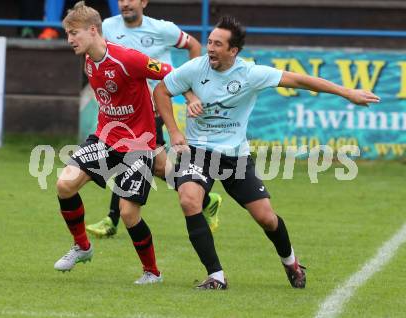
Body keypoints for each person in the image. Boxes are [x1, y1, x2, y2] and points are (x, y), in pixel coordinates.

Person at [153, 16, 380, 289]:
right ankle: (216, 275)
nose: (210, 48)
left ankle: (291, 263)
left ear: (233, 51)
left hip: (235, 157)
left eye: (217, 44)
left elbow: (299, 80)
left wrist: (347, 93)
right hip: (198, 151)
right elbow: (162, 90)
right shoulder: (195, 68)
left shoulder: (251, 74)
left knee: (266, 218)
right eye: (210, 42)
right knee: (189, 200)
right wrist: (175, 132)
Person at [55, 1, 173, 284]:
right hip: (105, 137)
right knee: (64, 184)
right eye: (68, 33)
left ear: (93, 30)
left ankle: (152, 272)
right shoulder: (88, 60)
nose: (70, 39)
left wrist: (188, 99)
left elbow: (170, 73)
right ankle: (83, 247)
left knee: (128, 213)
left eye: (74, 33)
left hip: (138, 143)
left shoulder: (129, 58)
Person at [86, 0, 223, 238]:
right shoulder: (107, 26)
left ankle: (112, 219)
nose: (125, 3)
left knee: (129, 155)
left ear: (144, 2)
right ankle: (207, 197)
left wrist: (190, 84)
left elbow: (193, 45)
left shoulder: (162, 29)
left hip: (153, 109)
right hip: (125, 110)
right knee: (158, 165)